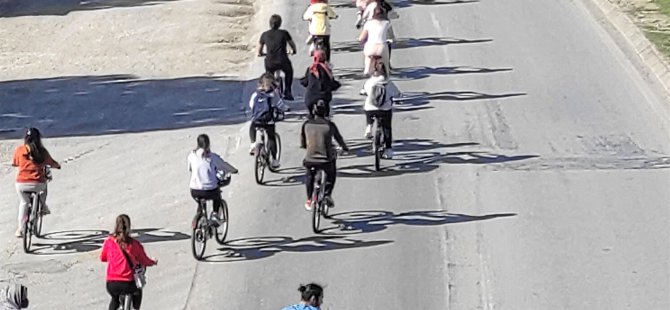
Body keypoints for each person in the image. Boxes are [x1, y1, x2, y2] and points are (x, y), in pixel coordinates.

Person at [11, 127, 61, 238]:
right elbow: (52, 163)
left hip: (21, 184)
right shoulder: (42, 151)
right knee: (44, 188)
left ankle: (20, 228)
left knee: (24, 202)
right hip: (37, 183)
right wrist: (58, 166)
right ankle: (42, 206)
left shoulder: (20, 150)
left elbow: (15, 164)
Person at [100, 214, 157, 310]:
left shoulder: (109, 242)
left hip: (111, 283)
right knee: (138, 289)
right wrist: (153, 262)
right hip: (128, 283)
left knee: (114, 299)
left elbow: (103, 258)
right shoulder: (134, 244)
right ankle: (135, 307)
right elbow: (144, 260)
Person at [300, 101, 348, 210]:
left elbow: (303, 143)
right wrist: (344, 148)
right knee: (331, 174)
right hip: (326, 160)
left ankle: (309, 199)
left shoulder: (306, 124)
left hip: (310, 159)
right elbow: (339, 139)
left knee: (309, 175)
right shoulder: (329, 125)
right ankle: (327, 194)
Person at [188, 134, 239, 223]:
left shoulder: (191, 155)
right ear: (208, 144)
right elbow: (224, 166)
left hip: (194, 190)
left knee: (200, 201)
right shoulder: (213, 157)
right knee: (217, 197)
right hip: (210, 190)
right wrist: (234, 170)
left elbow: (190, 169)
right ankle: (215, 214)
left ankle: (200, 217)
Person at [361, 62, 399, 159]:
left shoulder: (369, 82)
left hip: (371, 108)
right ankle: (388, 149)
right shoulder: (387, 82)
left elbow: (363, 91)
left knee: (368, 110)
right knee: (387, 127)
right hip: (385, 109)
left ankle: (369, 126)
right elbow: (396, 93)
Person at [249, 73, 285, 168]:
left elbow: (251, 105)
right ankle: (274, 160)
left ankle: (253, 144)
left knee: (252, 125)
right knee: (271, 137)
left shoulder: (256, 94)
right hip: (268, 121)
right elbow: (280, 105)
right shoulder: (273, 94)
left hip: (257, 120)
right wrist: (286, 109)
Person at [258, 14, 297, 101]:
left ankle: (269, 91)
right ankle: (287, 90)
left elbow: (259, 49)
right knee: (289, 72)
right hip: (282, 60)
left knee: (269, 76)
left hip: (270, 62)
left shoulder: (265, 34)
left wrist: (260, 53)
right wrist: (294, 51)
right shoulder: (284, 33)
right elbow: (292, 44)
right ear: (280, 24)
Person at [300, 50, 341, 119]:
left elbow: (306, 81)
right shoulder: (327, 69)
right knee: (327, 105)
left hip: (311, 96)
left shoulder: (310, 69)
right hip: (324, 95)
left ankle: (310, 114)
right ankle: (327, 116)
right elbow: (330, 82)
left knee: (309, 102)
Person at [358, 6, 395, 75]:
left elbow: (361, 38)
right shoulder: (387, 23)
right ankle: (387, 72)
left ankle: (366, 69)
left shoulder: (368, 23)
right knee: (386, 67)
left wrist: (363, 42)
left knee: (367, 58)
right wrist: (391, 40)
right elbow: (392, 36)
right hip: (382, 47)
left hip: (370, 47)